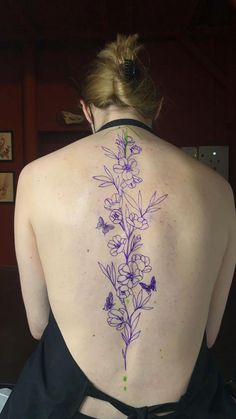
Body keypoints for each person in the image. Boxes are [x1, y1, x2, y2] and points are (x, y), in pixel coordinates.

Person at [1, 34, 236, 419]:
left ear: (86, 110)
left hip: (72, 408)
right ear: (155, 107)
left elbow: (39, 323)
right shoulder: (219, 190)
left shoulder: (35, 178)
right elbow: (208, 335)